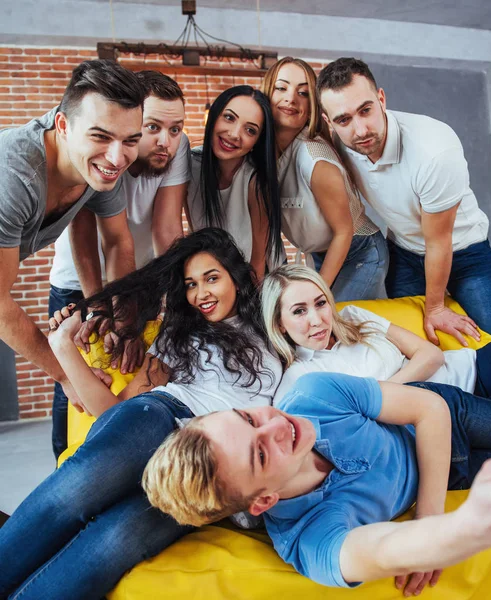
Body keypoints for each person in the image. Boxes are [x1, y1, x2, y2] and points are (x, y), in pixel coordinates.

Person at [0, 228, 282, 600]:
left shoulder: (273, 323)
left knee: (116, 543)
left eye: (212, 278)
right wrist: (64, 349)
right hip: (160, 417)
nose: (201, 294)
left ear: (239, 277)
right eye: (191, 284)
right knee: (71, 497)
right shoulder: (180, 334)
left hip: (203, 468)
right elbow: (116, 415)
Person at [142, 372, 491, 595]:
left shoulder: (312, 393)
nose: (275, 424)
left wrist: (430, 513)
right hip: (454, 468)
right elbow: (377, 552)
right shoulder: (308, 538)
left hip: (447, 419)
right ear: (263, 500)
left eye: (248, 416)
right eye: (261, 453)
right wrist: (468, 528)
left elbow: (429, 410)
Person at [261, 264, 491, 440]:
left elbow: (431, 355)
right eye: (299, 311)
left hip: (474, 368)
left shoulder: (352, 317)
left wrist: (383, 392)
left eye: (320, 303)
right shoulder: (300, 379)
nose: (318, 319)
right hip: (458, 409)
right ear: (279, 323)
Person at [316, 57, 491, 343]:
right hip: (405, 253)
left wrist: (435, 307)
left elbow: (438, 241)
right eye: (344, 119)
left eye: (366, 110)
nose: (360, 130)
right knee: (421, 347)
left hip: (465, 252)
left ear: (381, 98)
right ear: (329, 122)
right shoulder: (338, 145)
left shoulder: (434, 150)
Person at [46, 70, 191, 460]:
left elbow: (165, 231)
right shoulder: (103, 153)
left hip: (137, 278)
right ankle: (67, 460)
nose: (166, 140)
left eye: (176, 128)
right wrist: (98, 309)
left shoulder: (174, 150)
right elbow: (87, 240)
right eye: (153, 127)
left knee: (129, 368)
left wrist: (176, 296)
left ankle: (117, 460)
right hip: (79, 279)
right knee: (73, 382)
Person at [0, 59, 144, 413]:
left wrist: (121, 323)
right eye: (101, 136)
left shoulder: (102, 167)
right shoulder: (14, 174)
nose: (117, 156)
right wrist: (66, 374)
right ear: (63, 125)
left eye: (130, 140)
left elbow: (116, 241)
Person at [261, 57, 388, 301]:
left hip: (359, 252)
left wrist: (314, 294)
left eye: (303, 92)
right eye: (281, 88)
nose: (291, 98)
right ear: (267, 93)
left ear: (313, 106)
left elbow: (344, 232)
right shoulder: (267, 157)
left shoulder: (314, 158)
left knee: (332, 324)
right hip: (320, 255)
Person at [186, 86, 283, 280]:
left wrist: (253, 304)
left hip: (260, 277)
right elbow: (194, 232)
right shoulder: (189, 165)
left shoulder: (255, 180)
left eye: (250, 130)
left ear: (256, 141)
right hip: (214, 278)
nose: (234, 134)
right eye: (229, 118)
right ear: (213, 117)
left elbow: (258, 260)